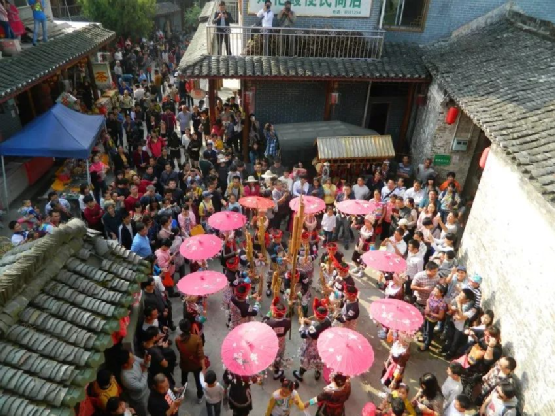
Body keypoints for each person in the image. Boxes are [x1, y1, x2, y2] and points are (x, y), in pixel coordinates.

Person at [293, 298, 332, 383]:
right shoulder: (328, 321)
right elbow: (320, 324)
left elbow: (302, 334)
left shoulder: (314, 328)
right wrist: (310, 323)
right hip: (322, 345)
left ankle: (300, 374)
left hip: (312, 346)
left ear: (317, 316)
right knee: (319, 360)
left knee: (306, 360)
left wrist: (302, 324)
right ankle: (317, 373)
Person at [176, 319, 207, 404]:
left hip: (185, 362)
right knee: (198, 380)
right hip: (195, 364)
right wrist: (203, 367)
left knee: (184, 376)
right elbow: (201, 355)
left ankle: (184, 388)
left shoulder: (178, 340)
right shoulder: (196, 338)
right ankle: (200, 395)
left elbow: (179, 349)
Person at [263, 300, 292, 380]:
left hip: (271, 341)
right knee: (278, 356)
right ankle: (276, 372)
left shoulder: (269, 322)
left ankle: (267, 363)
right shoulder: (288, 322)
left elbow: (263, 322)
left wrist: (269, 312)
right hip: (281, 342)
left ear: (274, 313)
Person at [119, 350, 150, 417]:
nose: (134, 357)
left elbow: (144, 363)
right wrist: (145, 371)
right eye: (131, 358)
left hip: (147, 391)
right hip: (141, 399)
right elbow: (141, 386)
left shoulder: (133, 360)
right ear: (125, 364)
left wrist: (147, 361)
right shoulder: (126, 378)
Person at [419, 284, 447, 352]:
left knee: (429, 332)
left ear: (441, 293)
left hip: (432, 319)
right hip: (427, 315)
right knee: (425, 327)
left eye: (436, 291)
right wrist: (427, 307)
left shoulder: (442, 303)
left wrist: (430, 313)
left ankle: (427, 345)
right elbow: (428, 300)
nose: (434, 292)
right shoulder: (432, 294)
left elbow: (440, 316)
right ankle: (424, 338)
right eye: (434, 290)